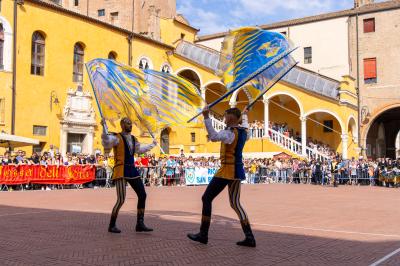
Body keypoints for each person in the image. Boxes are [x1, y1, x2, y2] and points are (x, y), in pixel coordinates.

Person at [187, 106, 256, 247]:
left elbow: (213, 136)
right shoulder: (243, 132)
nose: (224, 118)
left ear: (230, 117)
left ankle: (203, 234)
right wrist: (244, 115)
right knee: (235, 204)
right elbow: (244, 125)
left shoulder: (228, 133)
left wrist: (206, 117)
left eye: (226, 115)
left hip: (226, 170)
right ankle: (249, 237)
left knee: (206, 198)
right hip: (237, 171)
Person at [101, 117, 157, 234]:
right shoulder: (116, 138)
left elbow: (139, 150)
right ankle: (112, 225)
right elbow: (106, 141)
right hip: (121, 169)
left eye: (131, 123)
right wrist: (104, 127)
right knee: (121, 199)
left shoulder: (133, 138)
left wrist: (152, 145)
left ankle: (140, 223)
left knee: (142, 194)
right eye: (127, 123)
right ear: (122, 125)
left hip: (132, 169)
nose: (130, 125)